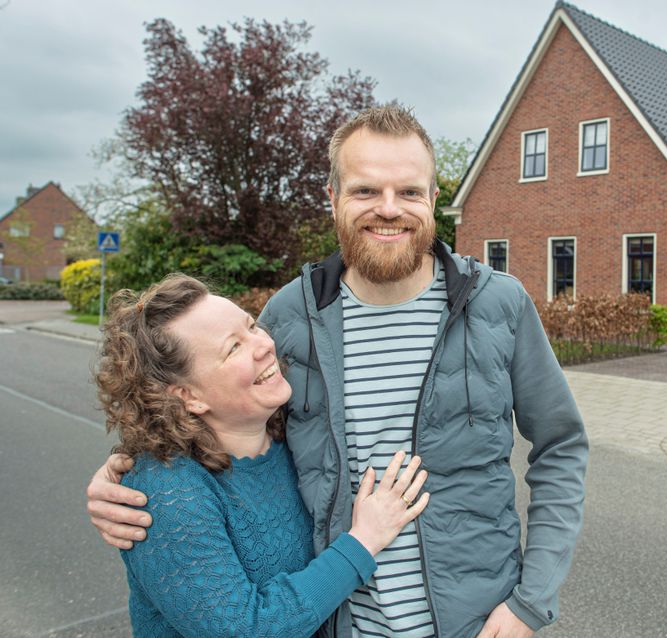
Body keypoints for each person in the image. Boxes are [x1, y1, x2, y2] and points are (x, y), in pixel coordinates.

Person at [87, 105, 589, 637]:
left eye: (410, 192)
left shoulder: (499, 305)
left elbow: (561, 446)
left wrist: (530, 603)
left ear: (435, 200)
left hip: (478, 626)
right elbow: (219, 418)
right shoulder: (286, 317)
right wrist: (122, 474)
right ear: (333, 199)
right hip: (335, 623)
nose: (389, 210)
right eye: (366, 191)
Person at [95, 274, 430, 637]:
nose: (264, 346)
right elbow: (247, 630)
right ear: (188, 397)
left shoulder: (293, 437)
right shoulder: (166, 492)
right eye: (233, 348)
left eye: (252, 326)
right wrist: (364, 540)